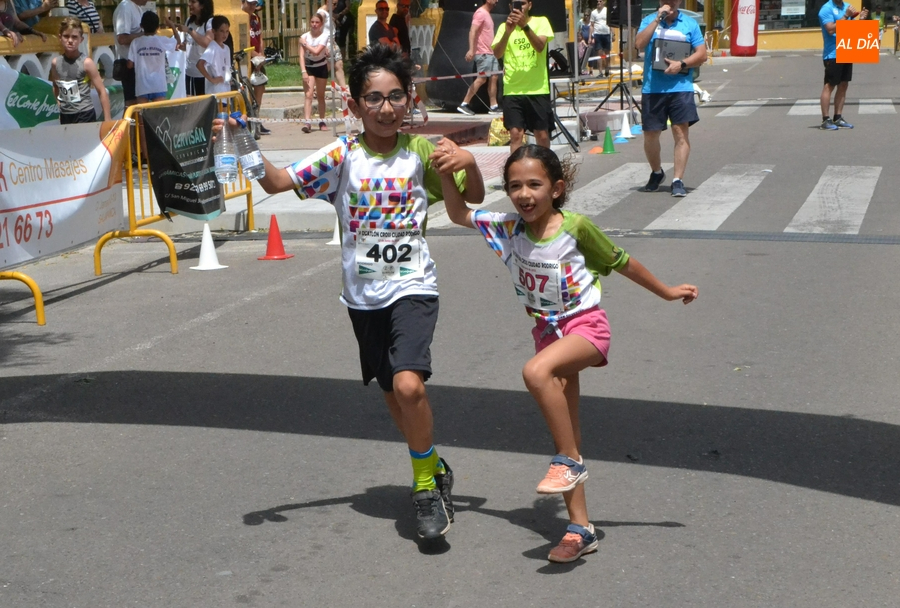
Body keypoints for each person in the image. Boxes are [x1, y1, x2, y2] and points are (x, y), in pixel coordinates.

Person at [218, 45, 485, 541]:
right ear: (356, 106)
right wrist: (243, 144)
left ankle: (425, 489)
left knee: (410, 386)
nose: (386, 109)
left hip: (414, 285)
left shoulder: (421, 152)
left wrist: (466, 159)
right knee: (394, 398)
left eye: (396, 97)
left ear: (410, 100)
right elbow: (276, 183)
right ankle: (434, 464)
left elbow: (470, 200)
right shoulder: (342, 156)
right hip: (363, 297)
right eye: (374, 99)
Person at [437, 143, 698, 563]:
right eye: (515, 185)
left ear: (556, 188)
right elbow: (457, 214)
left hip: (586, 329)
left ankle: (567, 462)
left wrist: (667, 292)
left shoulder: (576, 227)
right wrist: (449, 173)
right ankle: (580, 528)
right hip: (547, 333)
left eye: (535, 184)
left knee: (536, 373)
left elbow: (622, 262)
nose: (524, 194)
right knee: (568, 432)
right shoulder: (507, 229)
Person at [634, 0, 707, 197]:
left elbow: (702, 55)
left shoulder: (689, 24)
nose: (671, 3)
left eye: (674, 0)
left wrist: (681, 64)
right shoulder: (649, 21)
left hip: (680, 87)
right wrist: (658, 18)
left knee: (680, 132)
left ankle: (677, 180)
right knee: (651, 134)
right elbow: (638, 44)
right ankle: (657, 173)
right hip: (653, 88)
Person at [492, 0, 554, 153]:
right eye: (515, 4)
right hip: (513, 89)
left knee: (542, 134)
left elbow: (540, 47)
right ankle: (515, 171)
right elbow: (497, 53)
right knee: (515, 134)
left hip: (537, 88)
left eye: (523, 3)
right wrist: (508, 32)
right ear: (510, 7)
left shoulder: (541, 22)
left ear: (530, 5)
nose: (519, 7)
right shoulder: (503, 27)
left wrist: (524, 26)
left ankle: (544, 165)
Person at [50, 16, 111, 124]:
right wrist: (60, 106)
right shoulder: (56, 63)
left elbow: (101, 91)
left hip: (85, 114)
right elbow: (55, 86)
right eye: (66, 36)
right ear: (60, 38)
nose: (70, 41)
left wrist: (107, 120)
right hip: (66, 115)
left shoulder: (87, 63)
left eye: (74, 37)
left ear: (81, 40)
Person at [818, 0, 867, 130]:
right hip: (833, 53)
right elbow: (830, 29)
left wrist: (861, 19)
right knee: (830, 85)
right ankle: (825, 120)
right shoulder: (826, 9)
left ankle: (838, 117)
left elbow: (852, 29)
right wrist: (846, 16)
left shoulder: (847, 6)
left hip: (847, 49)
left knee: (844, 84)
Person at [458, 0, 501, 116]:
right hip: (483, 53)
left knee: (494, 78)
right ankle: (464, 104)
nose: (497, 1)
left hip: (491, 53)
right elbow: (473, 31)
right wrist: (472, 50)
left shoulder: (487, 14)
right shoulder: (480, 13)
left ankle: (493, 106)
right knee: (481, 78)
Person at [127, 11, 180, 104]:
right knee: (158, 115)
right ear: (158, 27)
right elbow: (178, 44)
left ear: (141, 26)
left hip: (142, 86)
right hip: (159, 85)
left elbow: (129, 65)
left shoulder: (135, 42)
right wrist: (172, 26)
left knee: (142, 114)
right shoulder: (162, 40)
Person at [169, 0, 215, 97]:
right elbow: (190, 44)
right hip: (189, 72)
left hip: (204, 75)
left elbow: (207, 42)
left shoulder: (210, 22)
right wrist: (181, 46)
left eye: (193, 2)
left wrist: (190, 31)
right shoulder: (189, 21)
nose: (189, 5)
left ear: (202, 5)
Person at [113, 0, 150, 108]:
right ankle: (128, 125)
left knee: (139, 106)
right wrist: (146, 34)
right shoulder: (125, 7)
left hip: (138, 65)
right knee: (132, 105)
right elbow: (122, 39)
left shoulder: (137, 8)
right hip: (128, 64)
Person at [242, 0, 271, 134]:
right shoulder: (241, 17)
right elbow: (243, 41)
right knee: (247, 91)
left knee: (260, 89)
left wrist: (261, 55)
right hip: (246, 59)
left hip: (258, 59)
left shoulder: (255, 17)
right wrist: (254, 55)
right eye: (250, 3)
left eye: (255, 3)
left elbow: (260, 37)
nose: (253, 6)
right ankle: (248, 122)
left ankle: (257, 121)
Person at [298, 12, 329, 133]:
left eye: (317, 22)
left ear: (321, 24)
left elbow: (317, 51)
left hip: (321, 66)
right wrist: (303, 71)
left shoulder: (324, 36)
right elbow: (301, 56)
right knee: (308, 94)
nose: (314, 25)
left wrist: (305, 44)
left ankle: (322, 120)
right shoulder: (305, 36)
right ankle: (307, 121)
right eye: (312, 22)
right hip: (309, 66)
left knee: (320, 95)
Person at [196, 15, 231, 102]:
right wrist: (212, 79)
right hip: (215, 92)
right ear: (213, 31)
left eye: (227, 31)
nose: (225, 34)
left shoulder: (226, 48)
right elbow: (200, 64)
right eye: (221, 31)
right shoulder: (212, 47)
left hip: (225, 90)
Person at [590, 0, 611, 77]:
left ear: (603, 2)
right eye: (597, 1)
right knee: (599, 54)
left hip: (607, 34)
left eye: (600, 1)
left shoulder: (607, 10)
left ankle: (607, 69)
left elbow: (610, 23)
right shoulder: (593, 12)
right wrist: (590, 37)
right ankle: (600, 72)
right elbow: (591, 25)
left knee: (607, 54)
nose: (598, 2)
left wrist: (613, 34)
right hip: (597, 34)